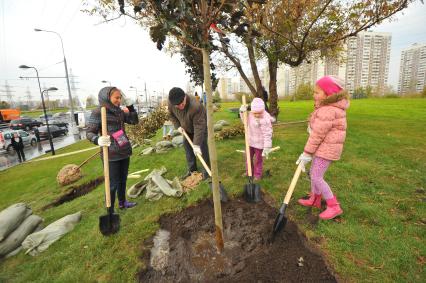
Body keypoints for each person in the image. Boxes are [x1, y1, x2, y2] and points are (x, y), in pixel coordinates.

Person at [296, 75, 349, 220]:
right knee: (314, 173)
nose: (314, 94)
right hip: (324, 147)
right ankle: (315, 199)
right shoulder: (328, 107)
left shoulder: (328, 110)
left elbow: (317, 135)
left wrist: (307, 153)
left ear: (328, 94)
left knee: (316, 176)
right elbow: (319, 126)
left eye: (317, 92)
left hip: (326, 149)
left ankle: (334, 206)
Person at [87, 86, 139, 212]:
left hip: (123, 150)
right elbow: (89, 133)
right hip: (110, 154)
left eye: (120, 98)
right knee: (112, 183)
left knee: (123, 179)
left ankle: (122, 202)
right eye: (116, 97)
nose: (119, 100)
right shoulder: (98, 112)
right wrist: (97, 139)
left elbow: (134, 121)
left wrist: (130, 106)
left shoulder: (119, 111)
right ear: (107, 97)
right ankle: (110, 209)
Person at [168, 87, 210, 180]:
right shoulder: (171, 103)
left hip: (199, 128)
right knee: (188, 150)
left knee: (202, 149)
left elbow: (199, 126)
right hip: (186, 129)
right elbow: (171, 114)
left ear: (185, 97)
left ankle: (206, 172)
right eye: (177, 106)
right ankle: (192, 171)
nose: (180, 107)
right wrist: (178, 126)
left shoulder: (195, 106)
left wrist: (196, 145)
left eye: (182, 104)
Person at [239, 97, 273, 180]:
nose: (257, 115)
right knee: (248, 158)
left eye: (259, 113)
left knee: (258, 160)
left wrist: (267, 146)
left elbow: (267, 133)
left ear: (263, 110)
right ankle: (249, 172)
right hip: (250, 141)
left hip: (260, 144)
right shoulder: (250, 114)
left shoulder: (265, 119)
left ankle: (257, 174)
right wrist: (242, 112)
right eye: (255, 113)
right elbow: (245, 122)